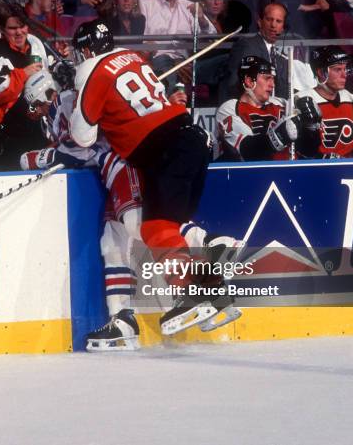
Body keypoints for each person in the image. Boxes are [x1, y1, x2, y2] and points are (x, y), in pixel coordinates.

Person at [70, 19, 242, 340]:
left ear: (86, 49)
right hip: (192, 139)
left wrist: (84, 102)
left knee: (154, 229)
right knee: (169, 230)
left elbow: (82, 136)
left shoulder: (91, 70)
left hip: (164, 148)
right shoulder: (132, 57)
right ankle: (214, 291)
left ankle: (192, 286)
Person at [20, 68, 144, 350]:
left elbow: (82, 151)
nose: (39, 112)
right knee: (112, 243)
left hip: (128, 166)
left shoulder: (68, 104)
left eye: (38, 104)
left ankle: (209, 246)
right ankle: (123, 320)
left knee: (143, 226)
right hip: (113, 173)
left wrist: (44, 156)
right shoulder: (62, 110)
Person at [0, 3, 58, 170]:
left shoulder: (36, 43)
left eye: (22, 26)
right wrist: (22, 74)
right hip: (8, 129)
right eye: (12, 28)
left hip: (40, 124)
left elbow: (48, 76)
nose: (19, 32)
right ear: (2, 29)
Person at [139, 0, 213, 95]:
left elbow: (211, 39)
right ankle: (174, 112)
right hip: (158, 63)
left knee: (225, 62)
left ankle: (230, 111)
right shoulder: (143, 6)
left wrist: (202, 19)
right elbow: (141, 44)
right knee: (165, 64)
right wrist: (177, 64)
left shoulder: (189, 6)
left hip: (188, 63)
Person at [294, 46, 353, 159]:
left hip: (349, 170)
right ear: (321, 72)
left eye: (345, 69)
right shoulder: (301, 100)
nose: (344, 75)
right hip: (315, 170)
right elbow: (299, 149)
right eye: (338, 70)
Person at [216, 56, 299, 162]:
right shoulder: (229, 109)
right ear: (249, 81)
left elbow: (306, 148)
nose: (272, 85)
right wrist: (279, 136)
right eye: (267, 78)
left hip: (288, 172)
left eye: (273, 79)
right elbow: (248, 150)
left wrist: (310, 127)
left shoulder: (282, 104)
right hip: (248, 175)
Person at [219, 2, 290, 103]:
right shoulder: (246, 45)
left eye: (278, 21)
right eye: (269, 19)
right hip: (247, 109)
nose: (273, 25)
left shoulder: (280, 57)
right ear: (260, 22)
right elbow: (235, 83)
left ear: (283, 28)